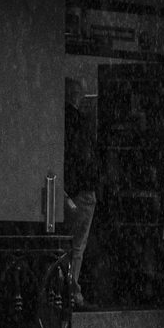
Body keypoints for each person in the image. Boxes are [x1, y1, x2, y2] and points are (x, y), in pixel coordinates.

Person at [63, 78, 98, 309]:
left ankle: (64, 291)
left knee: (66, 244)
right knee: (77, 246)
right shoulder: (80, 123)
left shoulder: (59, 120)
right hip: (80, 189)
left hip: (67, 189)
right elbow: (85, 157)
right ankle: (72, 292)